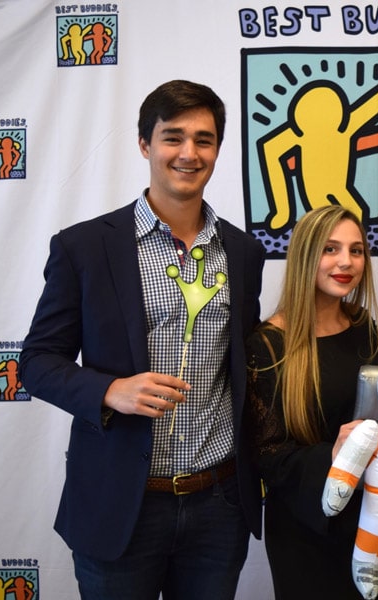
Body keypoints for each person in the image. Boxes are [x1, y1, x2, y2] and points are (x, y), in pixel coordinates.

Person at [19, 80, 266, 598]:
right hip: (120, 505)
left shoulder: (243, 253)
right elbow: (37, 362)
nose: (189, 153)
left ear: (218, 150)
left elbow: (243, 365)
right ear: (144, 144)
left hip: (217, 504)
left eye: (203, 140)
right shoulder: (85, 247)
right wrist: (110, 391)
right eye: (173, 137)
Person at [245, 205, 378, 599]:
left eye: (356, 250)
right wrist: (334, 455)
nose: (346, 261)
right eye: (331, 249)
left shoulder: (364, 327)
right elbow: (267, 455)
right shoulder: (267, 345)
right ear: (305, 256)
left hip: (373, 519)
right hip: (304, 532)